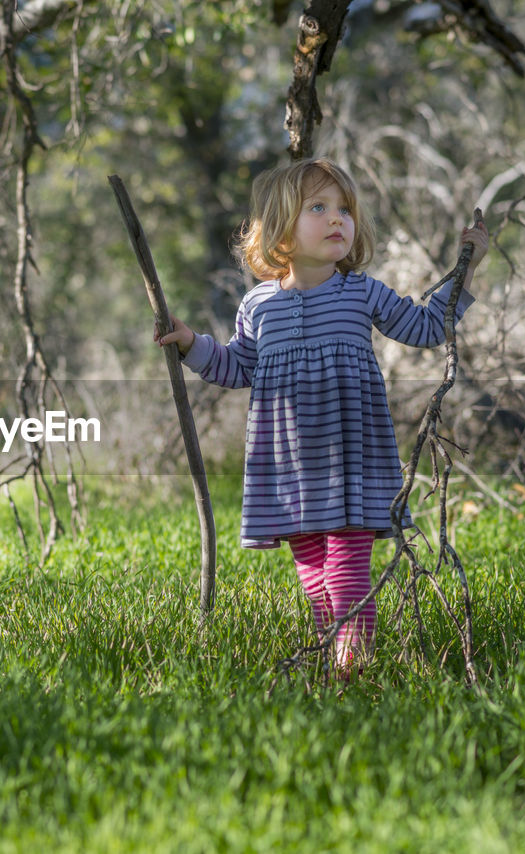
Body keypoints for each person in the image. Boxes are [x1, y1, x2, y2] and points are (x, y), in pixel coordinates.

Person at [155, 158, 489, 680]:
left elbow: (427, 328)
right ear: (280, 230)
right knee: (313, 573)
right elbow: (236, 367)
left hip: (350, 458)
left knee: (346, 568)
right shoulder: (257, 306)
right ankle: (332, 658)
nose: (338, 219)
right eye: (319, 207)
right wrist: (189, 344)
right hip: (289, 468)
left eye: (345, 209)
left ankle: (352, 668)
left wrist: (466, 266)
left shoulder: (360, 292)